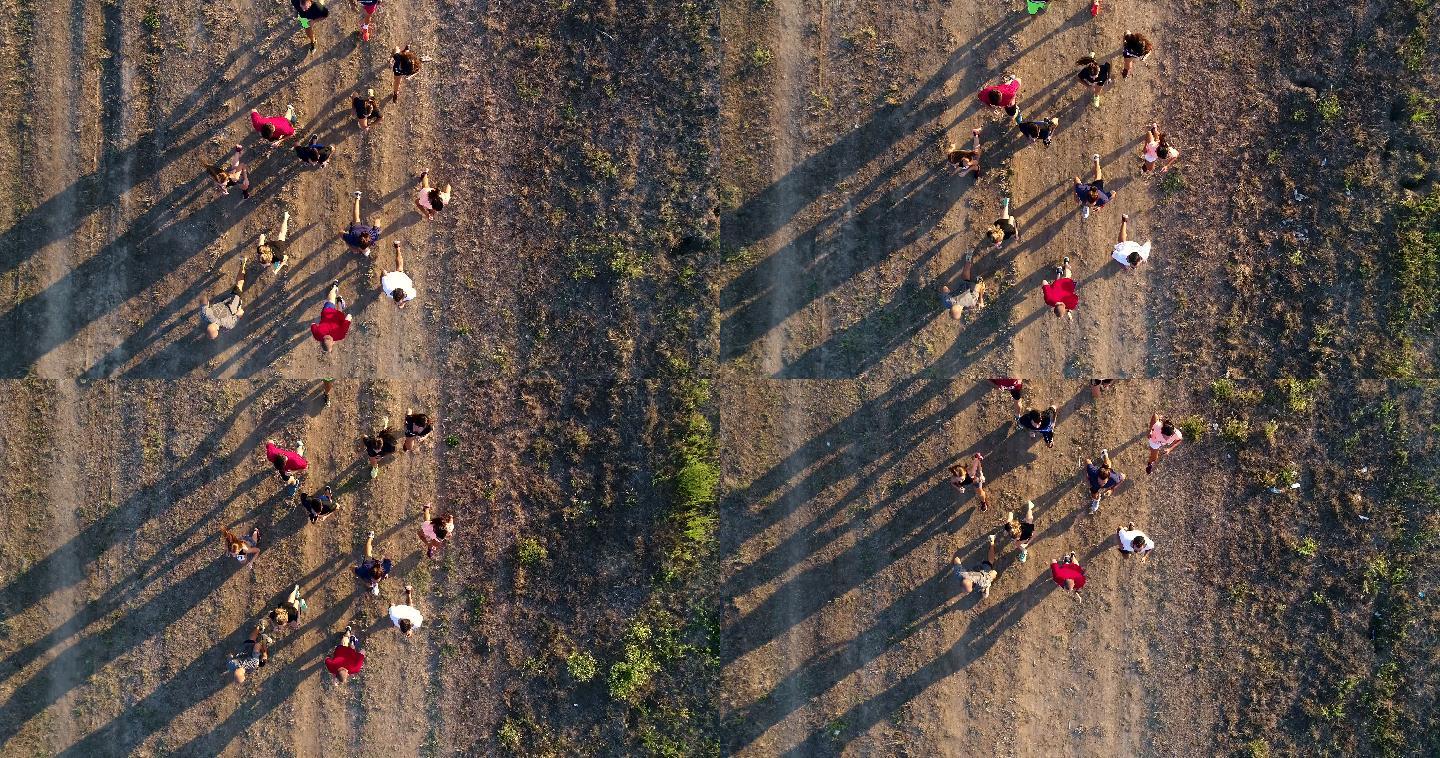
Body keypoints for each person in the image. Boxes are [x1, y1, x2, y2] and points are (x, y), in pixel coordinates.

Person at [199, 258, 248, 339]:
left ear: (217, 331)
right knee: (234, 289)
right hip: (221, 300)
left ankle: (243, 264)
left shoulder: (229, 324)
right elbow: (203, 298)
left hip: (232, 304)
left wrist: (239, 308)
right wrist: (207, 304)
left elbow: (241, 312)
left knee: (239, 284)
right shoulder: (205, 315)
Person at [310, 280, 353, 352]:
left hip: (338, 316)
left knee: (340, 313)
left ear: (333, 342)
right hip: (327, 312)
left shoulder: (341, 335)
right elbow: (313, 324)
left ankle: (339, 300)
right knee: (331, 299)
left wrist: (349, 316)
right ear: (320, 342)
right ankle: (334, 287)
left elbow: (348, 317)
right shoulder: (317, 335)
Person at [1083, 448, 1125, 514]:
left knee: (1107, 465)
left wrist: (1111, 489)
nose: (1101, 485)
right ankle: (1096, 500)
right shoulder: (1093, 472)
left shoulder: (1114, 478)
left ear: (1108, 478)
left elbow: (1123, 477)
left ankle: (1105, 455)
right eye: (1100, 481)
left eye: (1104, 483)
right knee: (1093, 493)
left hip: (1107, 471)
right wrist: (1086, 475)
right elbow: (1087, 461)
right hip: (1094, 483)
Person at [340, 190, 382, 255]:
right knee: (356, 218)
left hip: (367, 230)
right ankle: (357, 196)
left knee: (357, 217)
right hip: (356, 229)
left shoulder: (373, 237)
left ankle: (357, 196)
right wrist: (350, 247)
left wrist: (378, 219)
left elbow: (377, 222)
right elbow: (340, 232)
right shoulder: (352, 240)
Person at [1072, 154, 1114, 219]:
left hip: (1098, 188)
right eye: (1089, 203)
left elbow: (1113, 193)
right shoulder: (1082, 190)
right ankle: (1096, 161)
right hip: (1088, 187)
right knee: (1097, 177)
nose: (1090, 205)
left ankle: (1096, 161)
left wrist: (1101, 206)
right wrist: (1075, 194)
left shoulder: (1103, 198)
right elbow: (1076, 178)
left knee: (1098, 177)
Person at [354, 530, 393, 595]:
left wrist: (386, 574)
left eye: (377, 580)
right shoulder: (364, 569)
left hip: (377, 565)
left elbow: (388, 557)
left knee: (369, 555)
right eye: (374, 580)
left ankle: (370, 536)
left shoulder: (386, 568)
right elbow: (353, 568)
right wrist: (362, 580)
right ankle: (370, 537)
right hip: (369, 563)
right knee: (367, 554)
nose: (375, 581)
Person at [381, 241, 417, 308]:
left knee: (399, 267)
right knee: (399, 267)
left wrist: (402, 303)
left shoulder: (387, 288)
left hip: (400, 278)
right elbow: (384, 273)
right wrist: (403, 303)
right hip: (399, 278)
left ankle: (397, 247)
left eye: (396, 302)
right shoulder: (387, 288)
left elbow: (384, 274)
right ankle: (397, 247)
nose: (397, 303)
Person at [256, 211, 291, 277]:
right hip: (270, 246)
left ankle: (286, 217)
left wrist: (277, 270)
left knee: (282, 233)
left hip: (279, 247)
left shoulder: (277, 257)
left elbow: (286, 257)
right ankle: (285, 217)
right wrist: (262, 236)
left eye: (264, 265)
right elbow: (261, 240)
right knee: (281, 234)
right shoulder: (261, 249)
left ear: (269, 262)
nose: (263, 266)